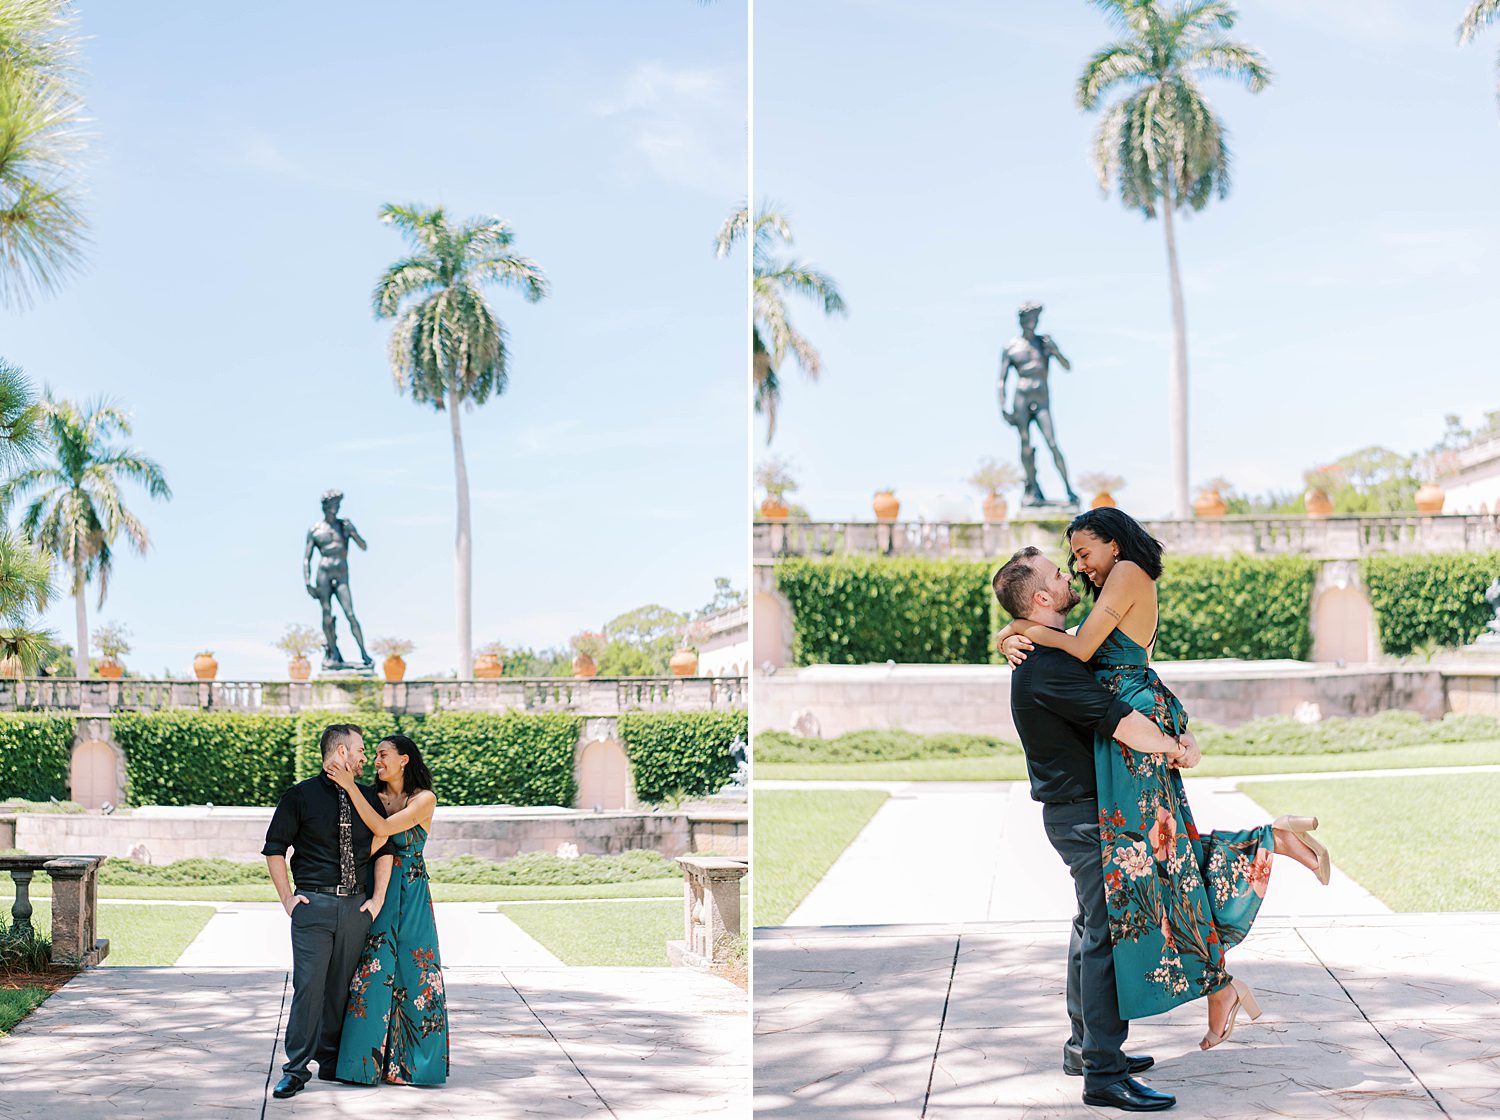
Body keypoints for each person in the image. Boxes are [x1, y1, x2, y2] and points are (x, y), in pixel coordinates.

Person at [996, 512, 1331, 1051]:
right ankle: (1265, 863)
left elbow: (1083, 650)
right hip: (1127, 730)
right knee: (1158, 859)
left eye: (1083, 553)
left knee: (1155, 861)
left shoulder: (1128, 570)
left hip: (1132, 729)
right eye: (1070, 561)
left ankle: (1212, 976)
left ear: (1114, 542)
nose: (1078, 566)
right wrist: (1011, 630)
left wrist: (1014, 628)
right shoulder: (1111, 582)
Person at [262, 723, 394, 1100]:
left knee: (339, 989)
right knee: (308, 987)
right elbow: (275, 850)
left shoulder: (369, 797)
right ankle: (295, 1069)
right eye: (360, 750)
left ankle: (331, 1059)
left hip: (356, 907)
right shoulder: (299, 796)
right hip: (313, 906)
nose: (365, 757)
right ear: (340, 753)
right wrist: (288, 899)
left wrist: (378, 899)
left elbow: (385, 850)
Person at [325, 733, 450, 1086]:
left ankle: (412, 1066)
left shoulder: (424, 799)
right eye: (375, 755)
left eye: (383, 755)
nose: (376, 761)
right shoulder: (371, 797)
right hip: (376, 889)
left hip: (411, 892)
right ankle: (362, 1065)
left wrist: (350, 787)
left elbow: (381, 827)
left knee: (416, 972)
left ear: (404, 760)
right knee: (371, 972)